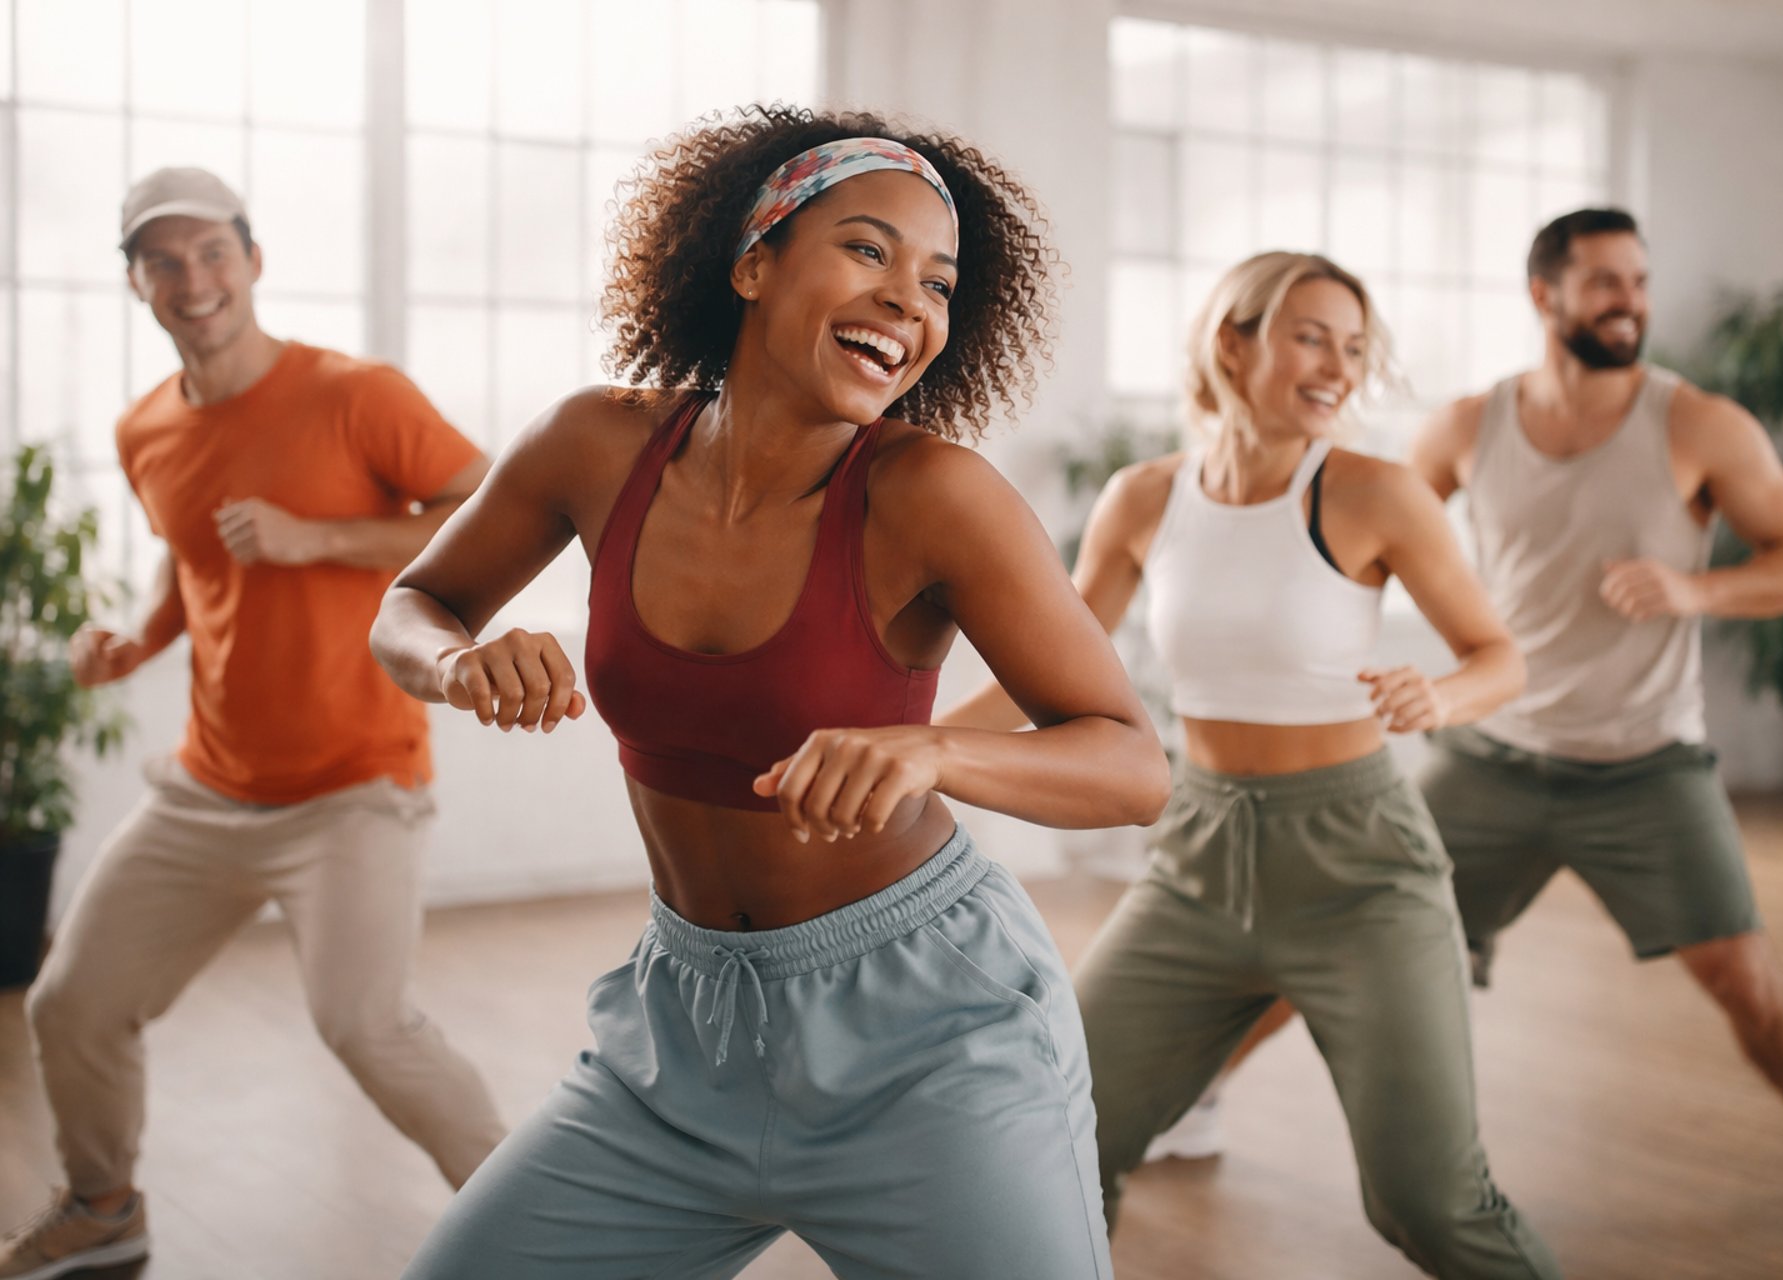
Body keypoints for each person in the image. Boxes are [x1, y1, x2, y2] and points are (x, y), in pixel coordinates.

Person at [371, 106, 1169, 1280]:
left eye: (940, 283)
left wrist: (938, 755)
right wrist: (454, 659)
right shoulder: (595, 444)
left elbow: (1131, 763)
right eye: (867, 248)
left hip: (929, 1037)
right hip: (682, 1034)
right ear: (753, 261)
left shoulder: (934, 494)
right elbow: (412, 603)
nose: (910, 300)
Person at [942, 250, 1561, 1278]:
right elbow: (1043, 666)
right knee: (1058, 1137)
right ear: (1236, 339)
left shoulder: (1375, 492)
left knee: (1428, 1202)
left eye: (1354, 347)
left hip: (1360, 867)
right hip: (1198, 857)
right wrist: (912, 745)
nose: (1337, 365)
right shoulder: (1145, 498)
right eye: (1311, 335)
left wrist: (1438, 696)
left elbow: (1500, 658)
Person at [1, 167, 502, 1280]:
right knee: (74, 1002)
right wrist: (135, 640)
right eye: (164, 259)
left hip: (356, 785)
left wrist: (319, 537)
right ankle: (104, 1206)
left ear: (254, 260)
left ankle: (551, 1230)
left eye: (213, 251)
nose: (194, 278)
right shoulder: (146, 431)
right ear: (136, 281)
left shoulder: (355, 393)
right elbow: (197, 566)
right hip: (209, 788)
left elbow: (489, 509)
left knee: (369, 1028)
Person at [1408, 207, 1783, 1261]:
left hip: (1645, 763)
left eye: (1639, 281)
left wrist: (1695, 586)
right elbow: (1374, 538)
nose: (1631, 301)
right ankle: (1202, 1092)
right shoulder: (1462, 427)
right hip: (1490, 754)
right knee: (1357, 927)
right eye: (1606, 282)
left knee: (1745, 976)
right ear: (1546, 295)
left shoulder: (1699, 424)